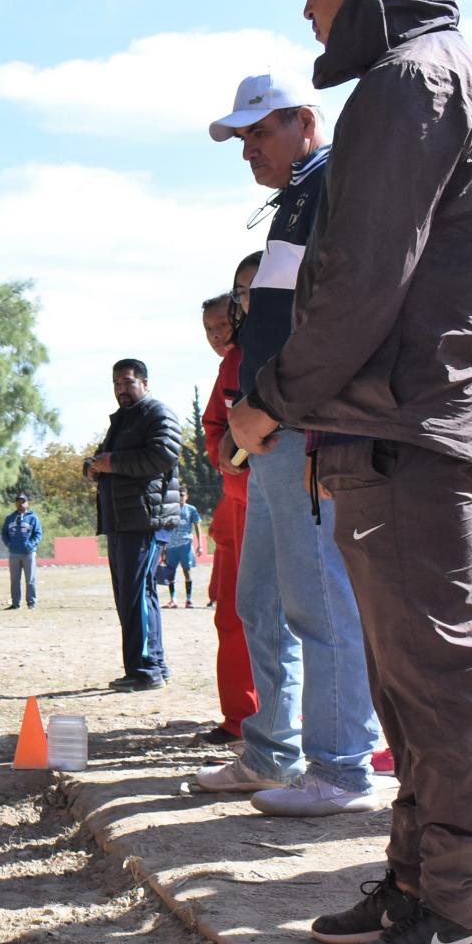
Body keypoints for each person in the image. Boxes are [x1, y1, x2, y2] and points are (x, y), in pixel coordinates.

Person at [231, 0, 472, 944]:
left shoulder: (407, 85)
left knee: (437, 680)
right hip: (390, 423)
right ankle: (422, 882)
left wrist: (271, 401)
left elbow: (358, 283)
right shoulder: (423, 77)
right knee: (406, 682)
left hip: (403, 424)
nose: (306, 10)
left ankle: (467, 907)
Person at [202, 67, 381, 816]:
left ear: (304, 122)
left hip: (301, 424)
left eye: (259, 131)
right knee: (260, 601)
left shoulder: (335, 184)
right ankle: (269, 751)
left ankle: (340, 769)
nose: (247, 149)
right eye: (240, 137)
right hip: (272, 423)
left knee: (318, 600)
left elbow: (336, 316)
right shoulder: (296, 198)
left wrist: (275, 408)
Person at [87, 359, 181, 692]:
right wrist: (93, 467)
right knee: (135, 594)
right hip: (121, 520)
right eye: (116, 384)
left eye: (127, 382)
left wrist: (111, 463)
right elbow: (101, 457)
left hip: (144, 520)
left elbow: (164, 454)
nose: (121, 390)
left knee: (137, 595)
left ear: (145, 382)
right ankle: (151, 665)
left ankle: (146, 670)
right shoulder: (123, 421)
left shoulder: (157, 413)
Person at [199, 267, 262, 749]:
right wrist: (222, 449)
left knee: (295, 616)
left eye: (224, 324)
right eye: (209, 331)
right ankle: (242, 717)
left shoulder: (288, 348)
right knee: (235, 614)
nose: (218, 336)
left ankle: (281, 724)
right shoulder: (231, 365)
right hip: (235, 510)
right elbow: (215, 427)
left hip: (281, 503)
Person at [158, 501, 204, 609]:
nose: (181, 497)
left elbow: (197, 525)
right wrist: (163, 547)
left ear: (187, 497)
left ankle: (188, 600)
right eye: (179, 495)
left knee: (187, 571)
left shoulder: (191, 509)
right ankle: (173, 600)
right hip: (171, 545)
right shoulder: (170, 509)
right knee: (170, 573)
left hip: (185, 544)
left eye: (183, 495)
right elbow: (165, 528)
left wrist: (200, 544)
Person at [1, 494, 41, 609]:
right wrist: (9, 544)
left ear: (27, 503)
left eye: (23, 501)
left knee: (30, 579)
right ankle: (15, 603)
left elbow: (38, 534)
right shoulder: (10, 518)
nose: (21, 503)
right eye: (18, 501)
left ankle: (31, 602)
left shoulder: (33, 518)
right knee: (14, 579)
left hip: (28, 553)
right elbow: (4, 533)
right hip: (14, 553)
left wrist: (30, 544)